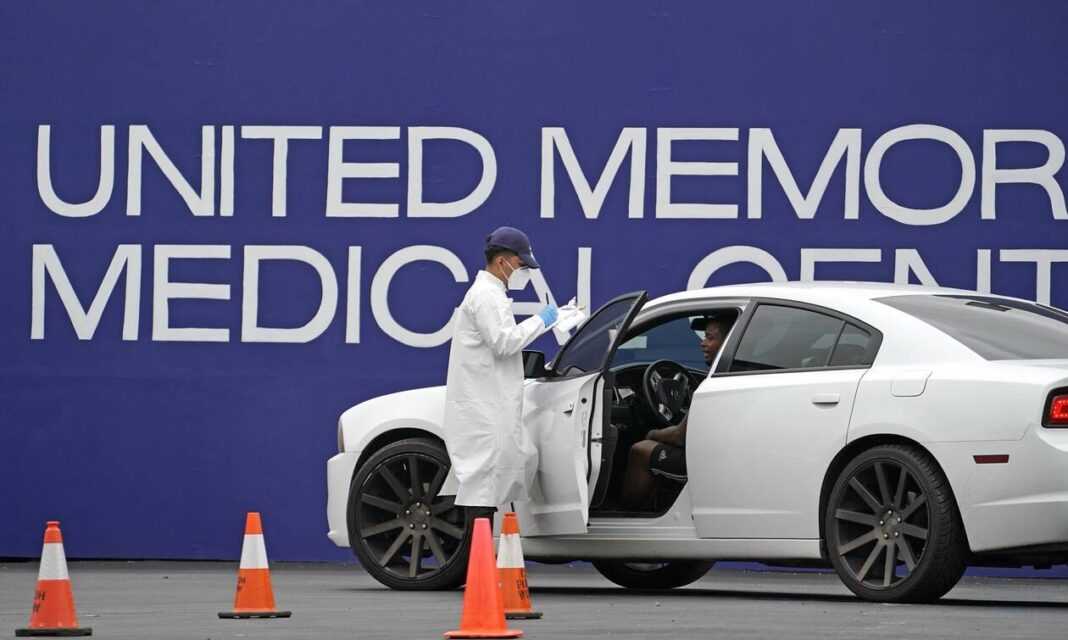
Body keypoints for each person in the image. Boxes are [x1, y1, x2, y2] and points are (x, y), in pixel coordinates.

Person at [442, 226, 559, 512]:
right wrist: (542, 321)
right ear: (501, 261)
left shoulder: (491, 293)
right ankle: (480, 543)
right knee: (482, 491)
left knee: (490, 486)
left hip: (488, 405)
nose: (523, 272)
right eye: (520, 265)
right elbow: (504, 342)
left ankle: (483, 541)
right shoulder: (487, 296)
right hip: (485, 411)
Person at [619, 314, 733, 509]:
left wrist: (652, 433)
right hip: (718, 453)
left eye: (710, 338)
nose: (703, 343)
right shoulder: (728, 374)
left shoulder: (717, 381)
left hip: (703, 460)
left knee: (640, 450)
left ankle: (628, 511)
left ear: (726, 343)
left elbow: (680, 437)